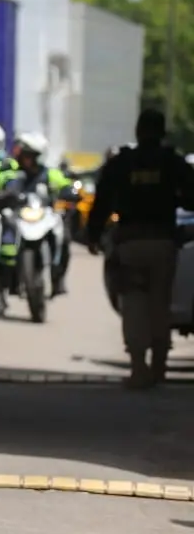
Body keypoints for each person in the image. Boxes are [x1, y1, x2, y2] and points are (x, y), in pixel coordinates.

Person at [87, 109, 194, 387]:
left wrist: (93, 235)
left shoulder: (122, 162)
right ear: (162, 132)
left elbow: (101, 202)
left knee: (134, 304)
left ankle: (138, 367)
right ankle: (159, 367)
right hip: (164, 244)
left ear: (137, 131)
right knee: (160, 305)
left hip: (129, 244)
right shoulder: (173, 162)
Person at [0, 131, 73, 295]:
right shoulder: (10, 171)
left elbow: (65, 184)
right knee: (1, 244)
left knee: (63, 238)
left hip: (42, 214)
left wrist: (70, 191)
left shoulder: (49, 173)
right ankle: (1, 287)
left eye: (30, 155)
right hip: (15, 215)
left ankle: (58, 278)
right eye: (23, 154)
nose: (25, 158)